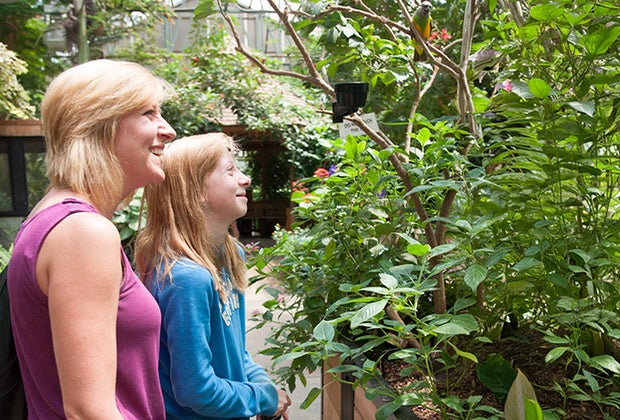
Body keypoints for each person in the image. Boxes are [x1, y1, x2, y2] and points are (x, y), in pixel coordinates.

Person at [7, 59, 177, 419]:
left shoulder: (50, 217)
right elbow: (89, 410)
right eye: (149, 113)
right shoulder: (82, 232)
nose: (168, 130)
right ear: (98, 125)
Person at [135, 133, 291, 420]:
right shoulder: (186, 278)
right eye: (230, 170)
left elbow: (234, 351)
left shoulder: (230, 253)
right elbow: (197, 390)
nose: (245, 179)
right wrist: (262, 399)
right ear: (194, 190)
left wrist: (262, 385)